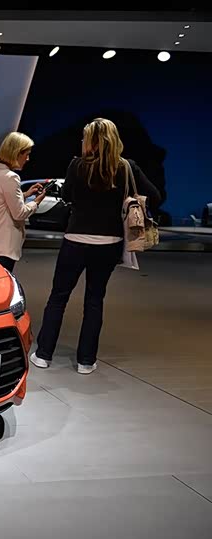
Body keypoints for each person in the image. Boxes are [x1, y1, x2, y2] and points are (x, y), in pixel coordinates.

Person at [30, 117, 161, 375]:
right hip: (109, 244)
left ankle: (44, 355)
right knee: (94, 300)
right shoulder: (126, 167)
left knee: (58, 297)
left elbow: (67, 196)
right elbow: (154, 196)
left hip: (75, 240)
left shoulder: (76, 165)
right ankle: (86, 361)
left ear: (90, 140)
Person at [0, 132, 47, 272]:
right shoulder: (11, 177)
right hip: (3, 248)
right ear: (16, 153)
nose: (27, 159)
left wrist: (26, 194)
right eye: (26, 154)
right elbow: (19, 214)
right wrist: (36, 202)